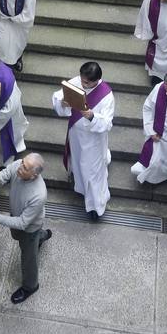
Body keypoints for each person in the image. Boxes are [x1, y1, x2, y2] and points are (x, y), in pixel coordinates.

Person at [0, 154, 51, 304]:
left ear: (34, 175)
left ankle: (30, 286)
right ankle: (43, 236)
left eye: (25, 168)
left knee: (28, 258)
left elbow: (22, 223)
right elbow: (6, 174)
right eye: (22, 163)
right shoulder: (19, 166)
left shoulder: (39, 195)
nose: (20, 167)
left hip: (29, 227)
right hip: (17, 215)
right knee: (20, 237)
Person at [52, 61, 115, 221]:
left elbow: (107, 123)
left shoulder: (106, 95)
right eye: (82, 79)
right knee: (79, 163)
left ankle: (96, 207)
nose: (82, 83)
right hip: (76, 135)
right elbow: (59, 95)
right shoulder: (78, 81)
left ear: (96, 81)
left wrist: (93, 116)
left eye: (86, 82)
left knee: (93, 173)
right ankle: (80, 187)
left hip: (93, 141)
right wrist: (62, 103)